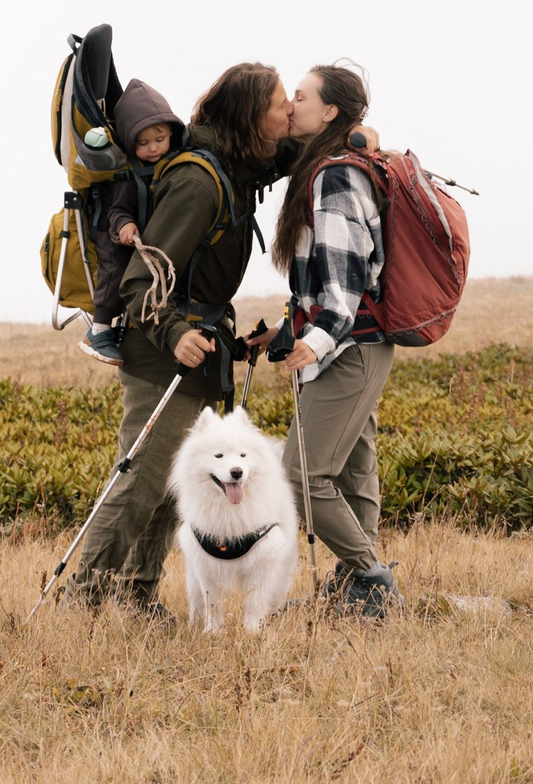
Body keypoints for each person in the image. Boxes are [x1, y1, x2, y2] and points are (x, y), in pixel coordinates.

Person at [62, 61, 290, 616]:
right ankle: (82, 602)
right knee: (141, 481)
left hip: (198, 351)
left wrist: (345, 130)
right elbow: (142, 281)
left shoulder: (234, 168)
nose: (288, 112)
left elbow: (292, 153)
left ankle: (137, 597)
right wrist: (176, 333)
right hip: (161, 354)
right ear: (249, 117)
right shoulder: (198, 181)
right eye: (280, 105)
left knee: (171, 492)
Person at [271, 61, 399, 616]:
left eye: (300, 95)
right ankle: (358, 588)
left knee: (299, 475)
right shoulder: (321, 165)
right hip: (358, 343)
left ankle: (370, 579)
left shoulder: (337, 173)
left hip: (350, 345)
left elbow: (344, 281)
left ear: (329, 112)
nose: (291, 103)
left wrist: (316, 341)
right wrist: (285, 330)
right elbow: (319, 277)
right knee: (352, 471)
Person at [78, 79, 185, 365]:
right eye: (143, 142)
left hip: (145, 234)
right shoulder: (129, 173)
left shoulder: (173, 164)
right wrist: (125, 224)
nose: (153, 149)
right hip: (115, 234)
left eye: (159, 139)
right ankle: (99, 330)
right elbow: (118, 209)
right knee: (116, 273)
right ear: (129, 141)